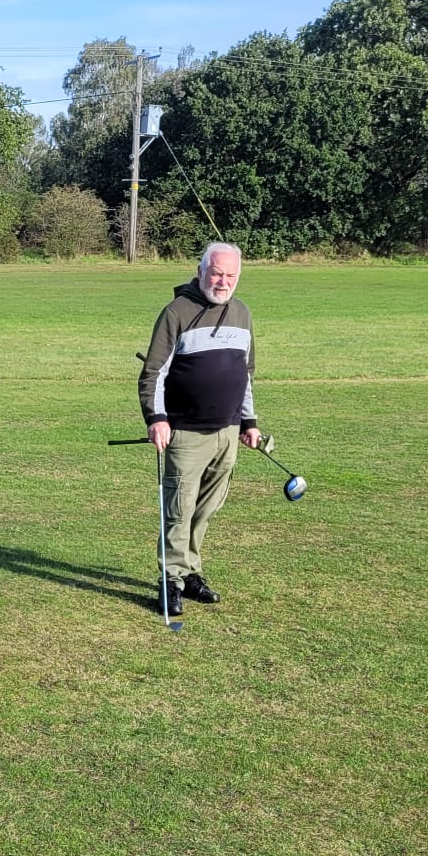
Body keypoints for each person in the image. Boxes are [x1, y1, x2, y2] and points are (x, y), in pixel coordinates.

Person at [138, 240, 263, 618]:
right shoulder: (177, 311)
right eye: (217, 273)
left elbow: (246, 375)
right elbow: (152, 374)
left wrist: (249, 422)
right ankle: (171, 581)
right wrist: (156, 418)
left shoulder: (241, 313)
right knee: (179, 509)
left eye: (230, 275)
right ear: (201, 271)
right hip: (186, 433)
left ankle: (191, 571)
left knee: (205, 509)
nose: (223, 281)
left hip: (227, 432)